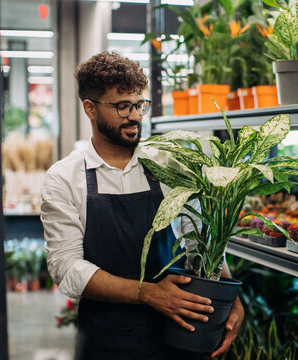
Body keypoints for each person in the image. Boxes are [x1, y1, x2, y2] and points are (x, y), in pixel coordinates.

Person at [41, 51, 244, 359]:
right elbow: (67, 269)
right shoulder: (65, 178)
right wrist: (149, 293)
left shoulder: (168, 165)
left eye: (140, 104)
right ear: (90, 108)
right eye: (122, 106)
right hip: (106, 340)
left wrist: (230, 295)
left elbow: (198, 236)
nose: (135, 116)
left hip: (178, 335)